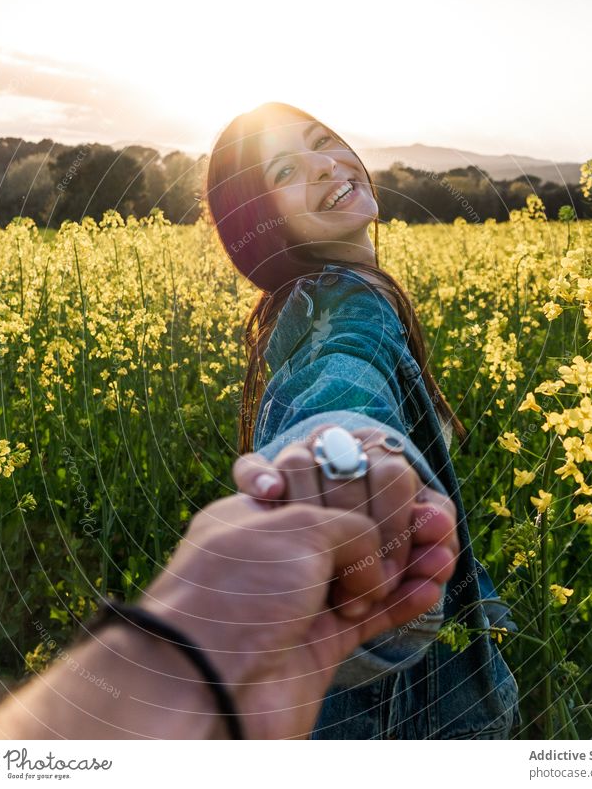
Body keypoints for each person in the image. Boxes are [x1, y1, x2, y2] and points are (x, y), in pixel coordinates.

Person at [205, 102, 521, 739]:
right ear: (263, 221)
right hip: (400, 718)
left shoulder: (317, 304)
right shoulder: (346, 314)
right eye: (288, 169)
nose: (326, 165)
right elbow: (341, 386)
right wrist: (344, 458)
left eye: (325, 142)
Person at [0, 425, 459, 741]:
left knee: (310, 415)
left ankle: (328, 336)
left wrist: (192, 643)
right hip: (377, 601)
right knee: (348, 388)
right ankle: (355, 334)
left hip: (347, 598)